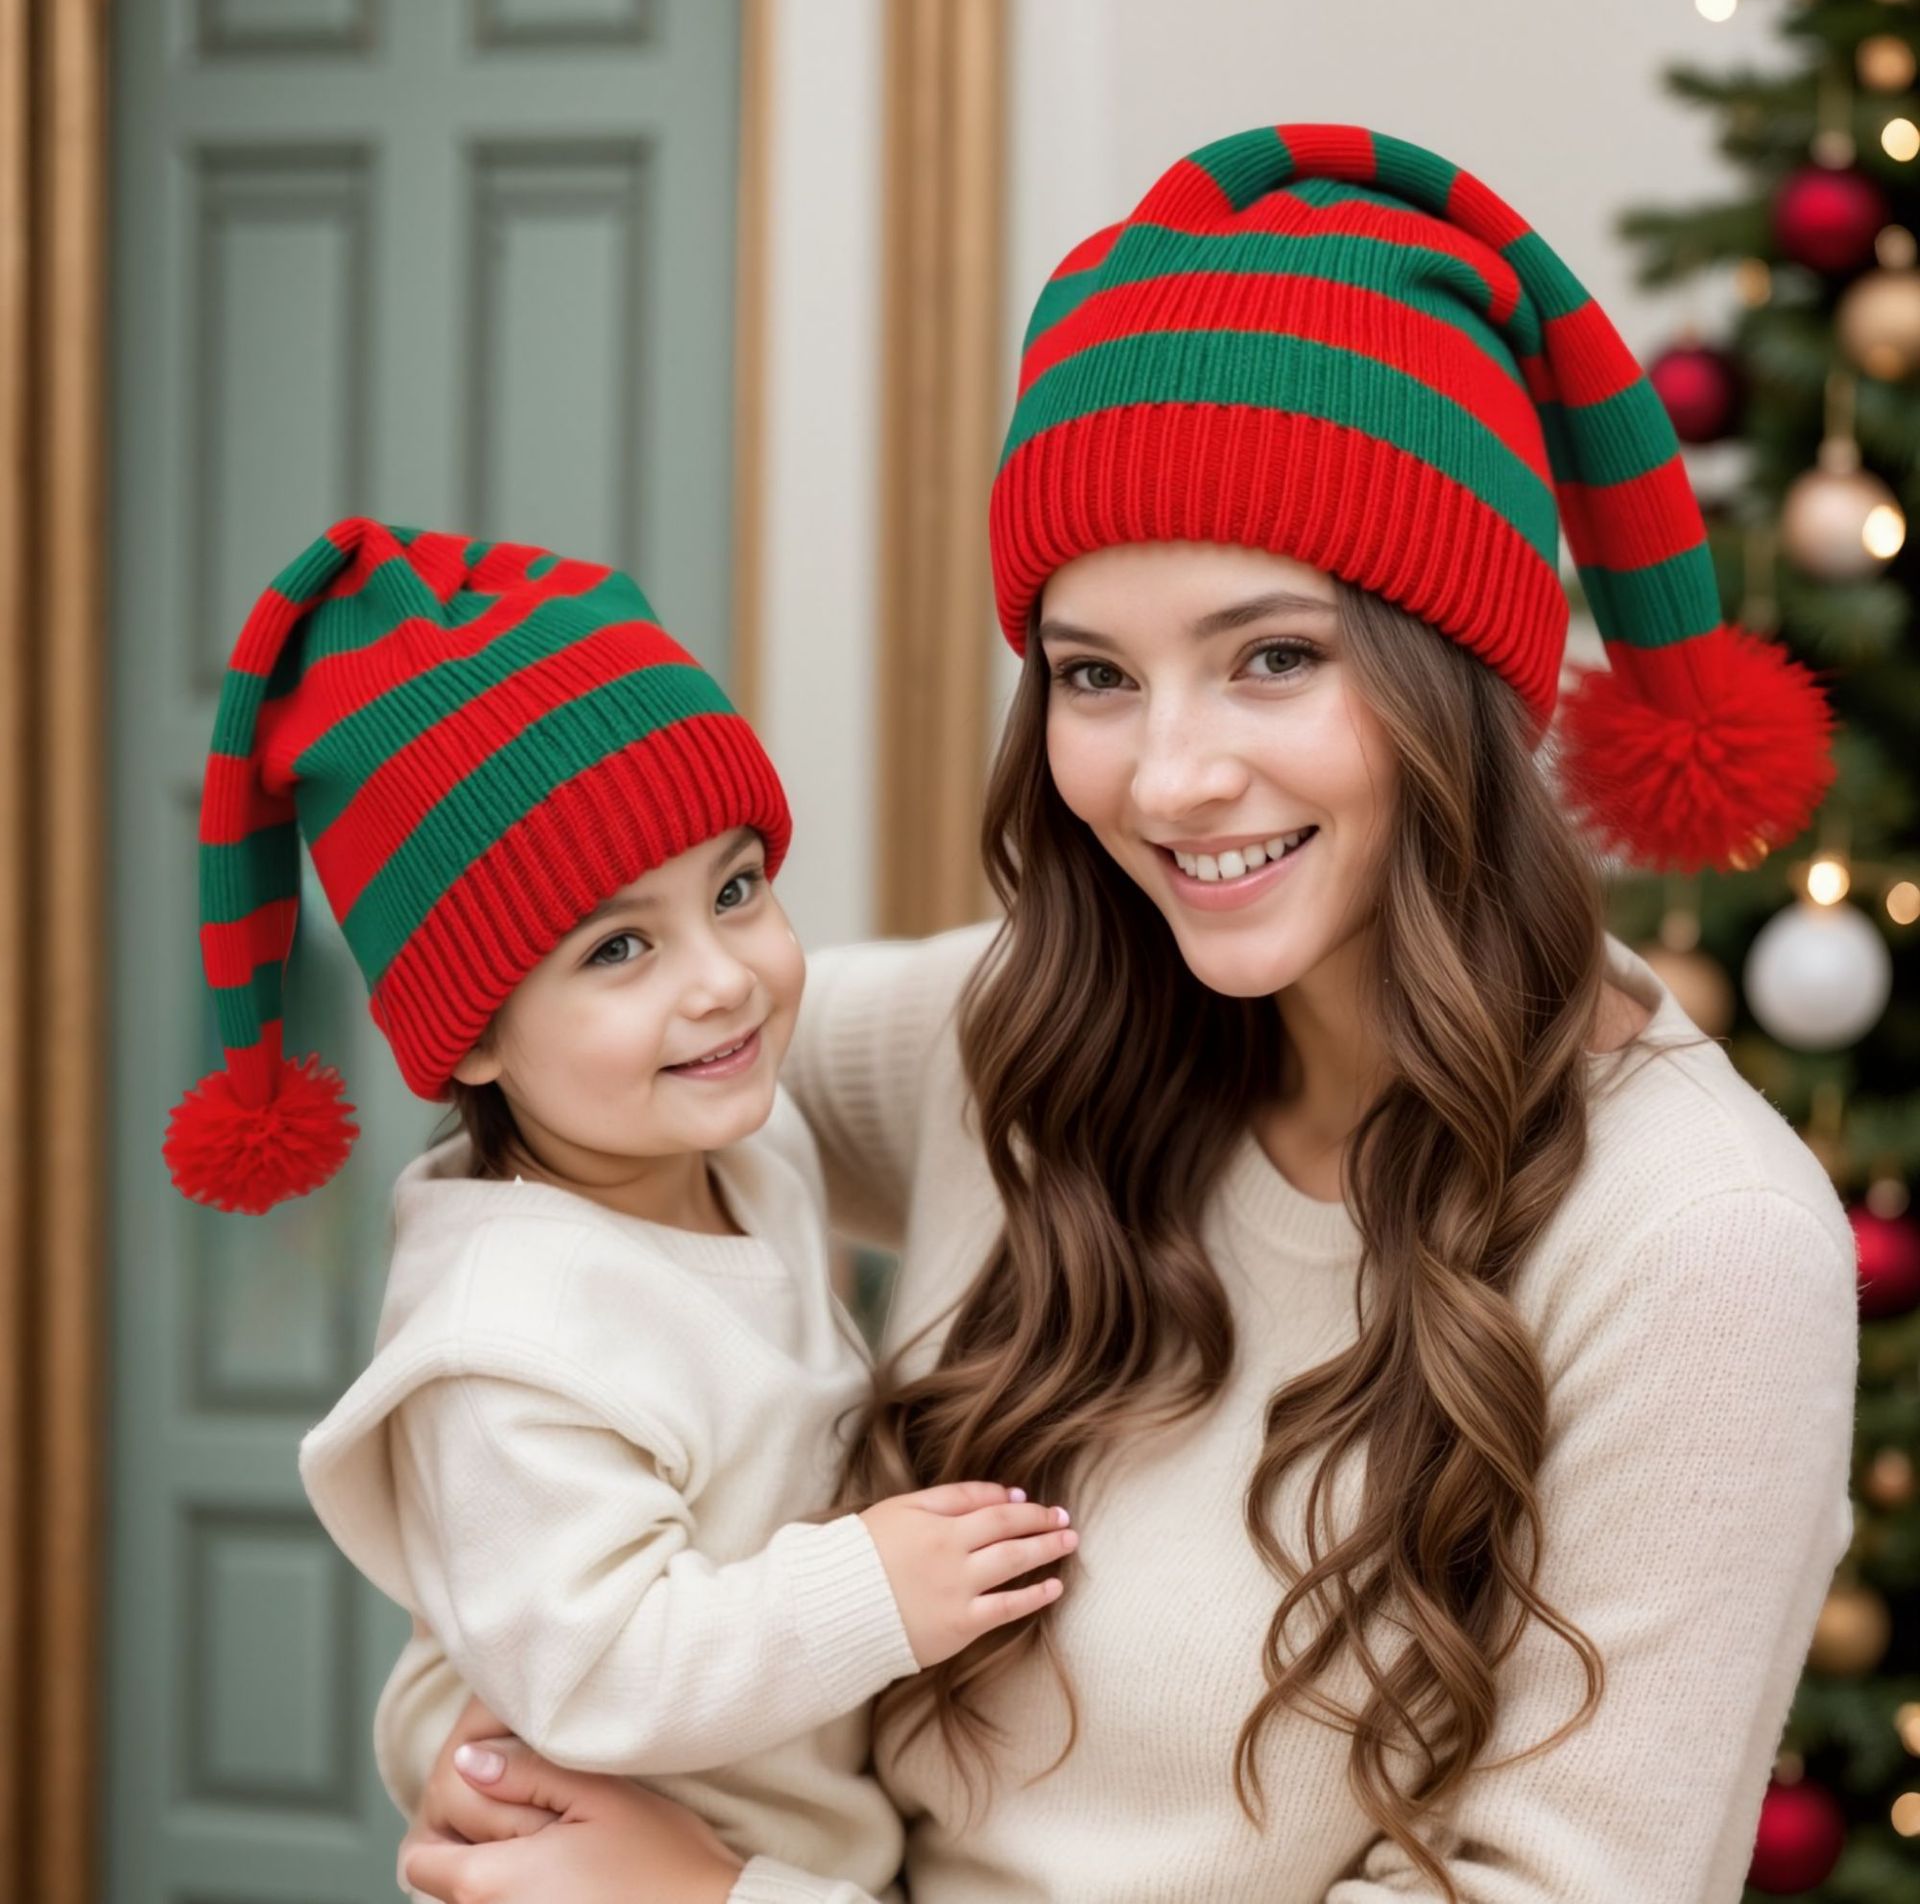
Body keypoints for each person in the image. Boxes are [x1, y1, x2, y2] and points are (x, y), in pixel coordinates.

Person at [398, 125, 1859, 1904]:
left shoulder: (1696, 1242)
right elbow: (563, 1153)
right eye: (1094, 674)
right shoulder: (1015, 1036)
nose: (1168, 776)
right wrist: (500, 1707)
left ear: (1456, 678)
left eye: (1274, 656)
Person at [162, 517, 1079, 1904]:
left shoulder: (743, 1154)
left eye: (737, 888)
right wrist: (870, 1590)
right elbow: (594, 1665)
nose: (721, 979)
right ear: (469, 1038)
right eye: (620, 947)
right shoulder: (511, 1332)